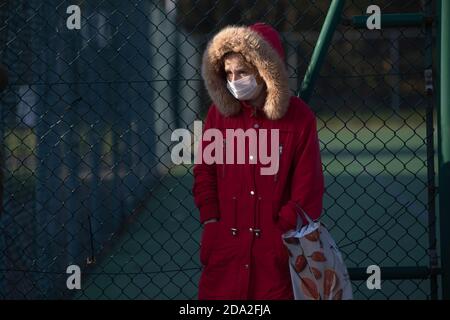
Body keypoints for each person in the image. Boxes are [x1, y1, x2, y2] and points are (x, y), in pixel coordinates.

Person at [193, 22, 324, 300]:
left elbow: (307, 187)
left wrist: (280, 231)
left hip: (278, 254)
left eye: (242, 72)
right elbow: (205, 173)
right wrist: (211, 221)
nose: (234, 81)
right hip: (226, 248)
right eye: (228, 73)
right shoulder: (219, 117)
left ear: (265, 70)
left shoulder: (300, 118)